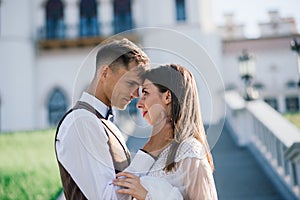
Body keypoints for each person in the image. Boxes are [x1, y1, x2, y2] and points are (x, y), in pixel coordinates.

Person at [54, 38, 159, 199]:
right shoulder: (82, 121)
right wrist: (152, 148)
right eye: (130, 83)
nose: (135, 95)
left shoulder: (103, 122)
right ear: (105, 73)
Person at [113, 64, 218, 200]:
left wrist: (147, 195)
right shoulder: (161, 149)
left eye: (145, 93)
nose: (139, 104)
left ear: (167, 97)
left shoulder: (189, 150)